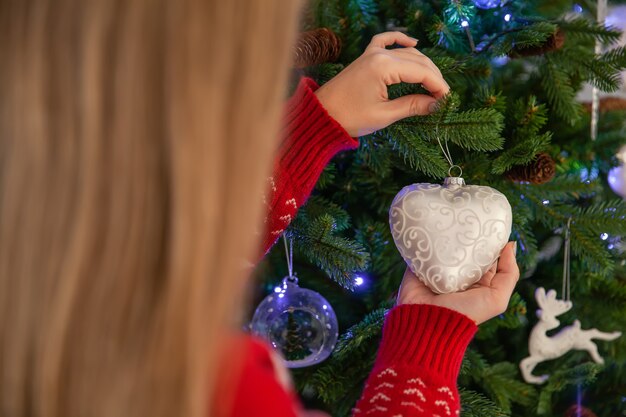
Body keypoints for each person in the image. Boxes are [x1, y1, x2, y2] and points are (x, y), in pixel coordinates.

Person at [0, 2, 519, 417]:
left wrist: (315, 127)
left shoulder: (52, 309)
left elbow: (153, 264)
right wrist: (424, 344)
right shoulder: (207, 387)